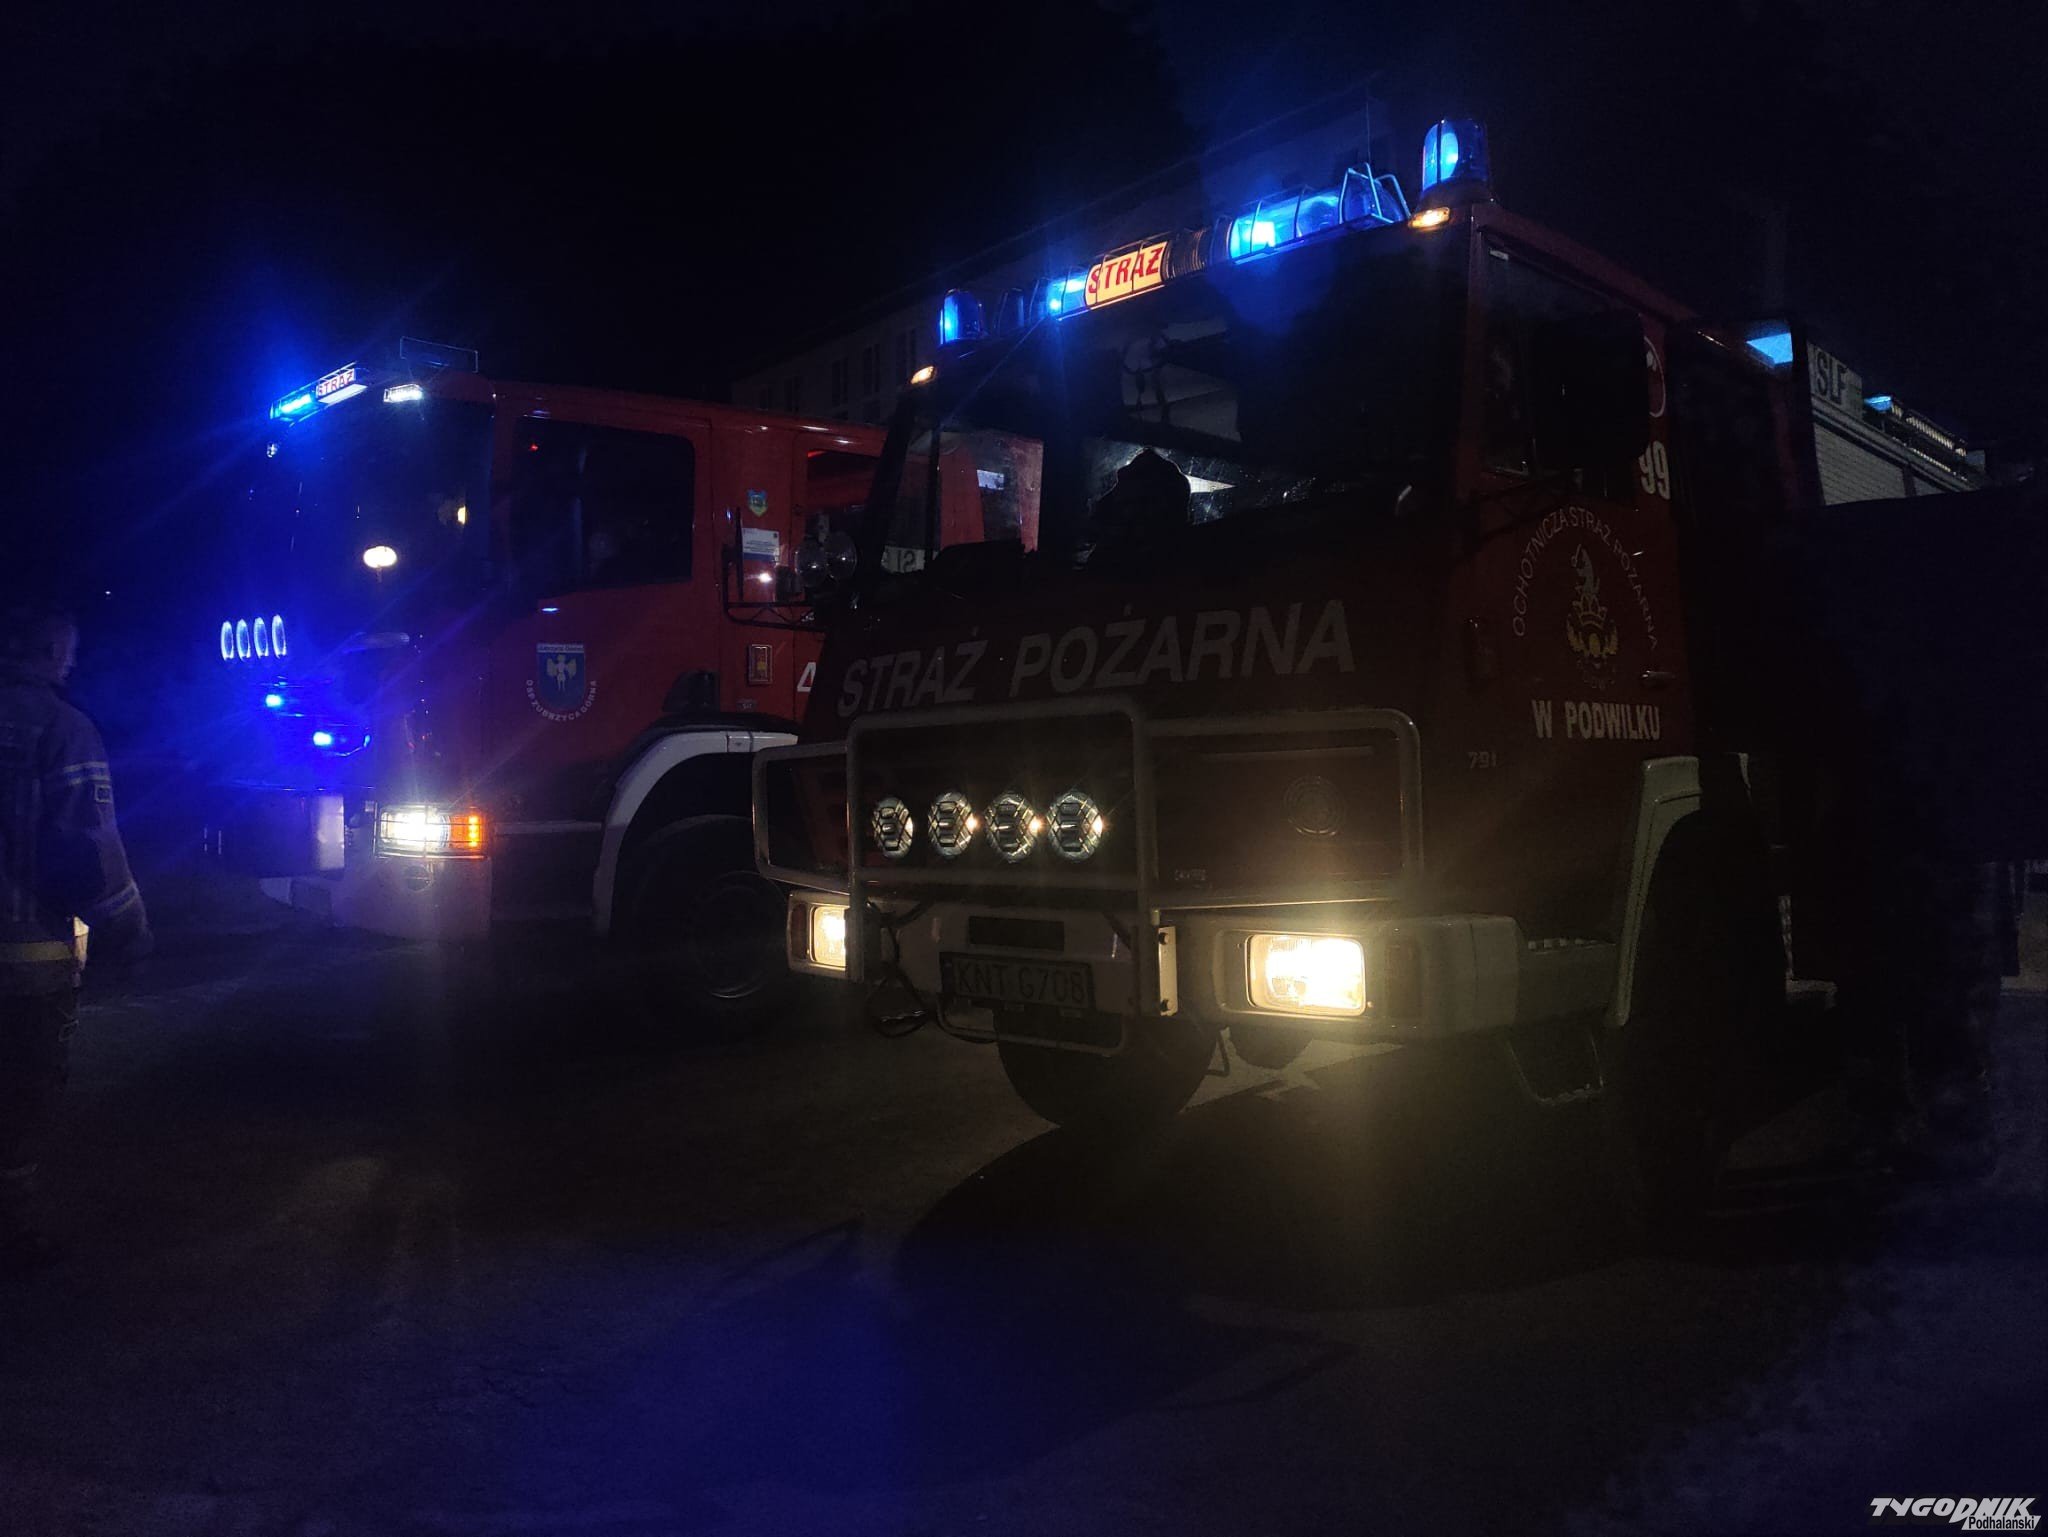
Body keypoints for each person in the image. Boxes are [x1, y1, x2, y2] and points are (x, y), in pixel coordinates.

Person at [1, 603, 152, 1273]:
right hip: (25, 965)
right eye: (68, 652)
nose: (72, 664)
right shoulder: (62, 729)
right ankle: (11, 1233)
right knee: (20, 1099)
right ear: (50, 651)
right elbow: (89, 847)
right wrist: (130, 931)